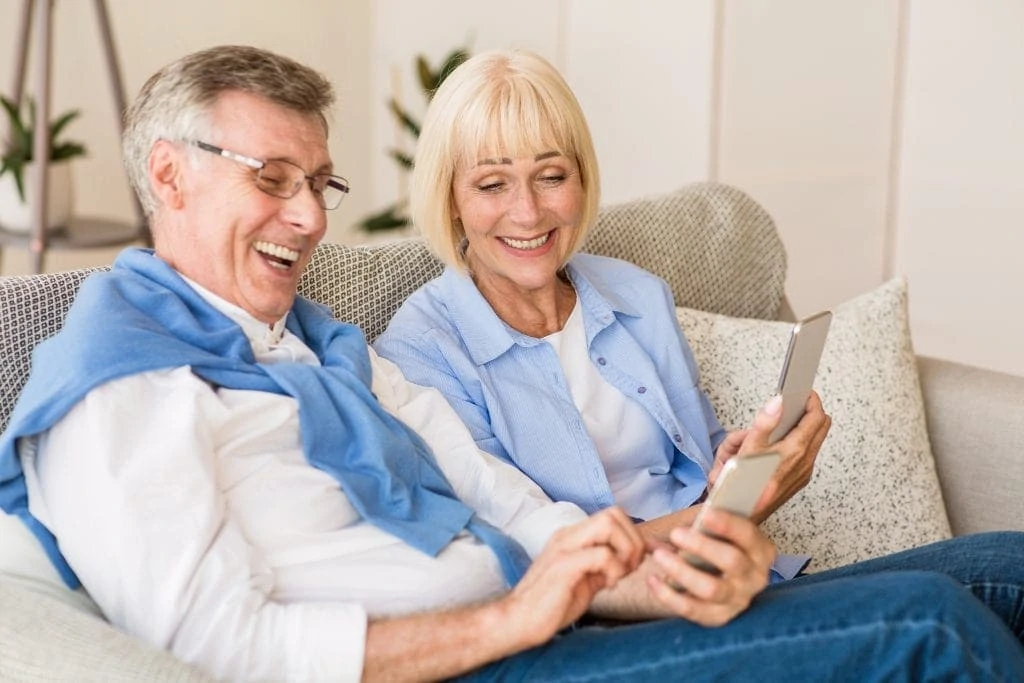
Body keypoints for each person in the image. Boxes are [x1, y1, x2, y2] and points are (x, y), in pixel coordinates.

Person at [0, 45, 1022, 683]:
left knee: (1007, 564)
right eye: (272, 178)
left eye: (319, 181)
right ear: (167, 175)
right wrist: (515, 616)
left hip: (542, 625)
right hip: (471, 661)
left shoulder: (325, 347)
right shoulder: (122, 383)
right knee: (930, 626)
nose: (309, 216)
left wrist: (658, 579)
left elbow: (523, 514)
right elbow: (217, 651)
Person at [373, 49, 829, 575]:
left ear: (582, 180)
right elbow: (529, 554)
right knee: (930, 604)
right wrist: (743, 506)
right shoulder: (420, 352)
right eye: (492, 184)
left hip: (735, 577)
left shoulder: (639, 297)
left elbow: (699, 463)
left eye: (551, 176)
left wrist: (731, 474)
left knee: (944, 578)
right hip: (620, 620)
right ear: (450, 196)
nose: (528, 213)